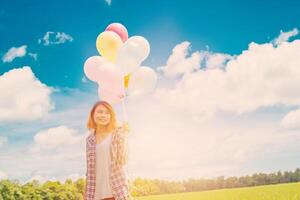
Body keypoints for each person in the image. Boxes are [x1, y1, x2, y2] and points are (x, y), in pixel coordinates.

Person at [84, 100, 130, 200]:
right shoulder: (89, 140)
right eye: (100, 112)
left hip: (116, 192)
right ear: (93, 114)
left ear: (111, 116)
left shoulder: (117, 134)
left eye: (107, 113)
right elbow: (90, 170)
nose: (103, 115)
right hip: (94, 194)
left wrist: (125, 136)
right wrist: (85, 194)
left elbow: (123, 160)